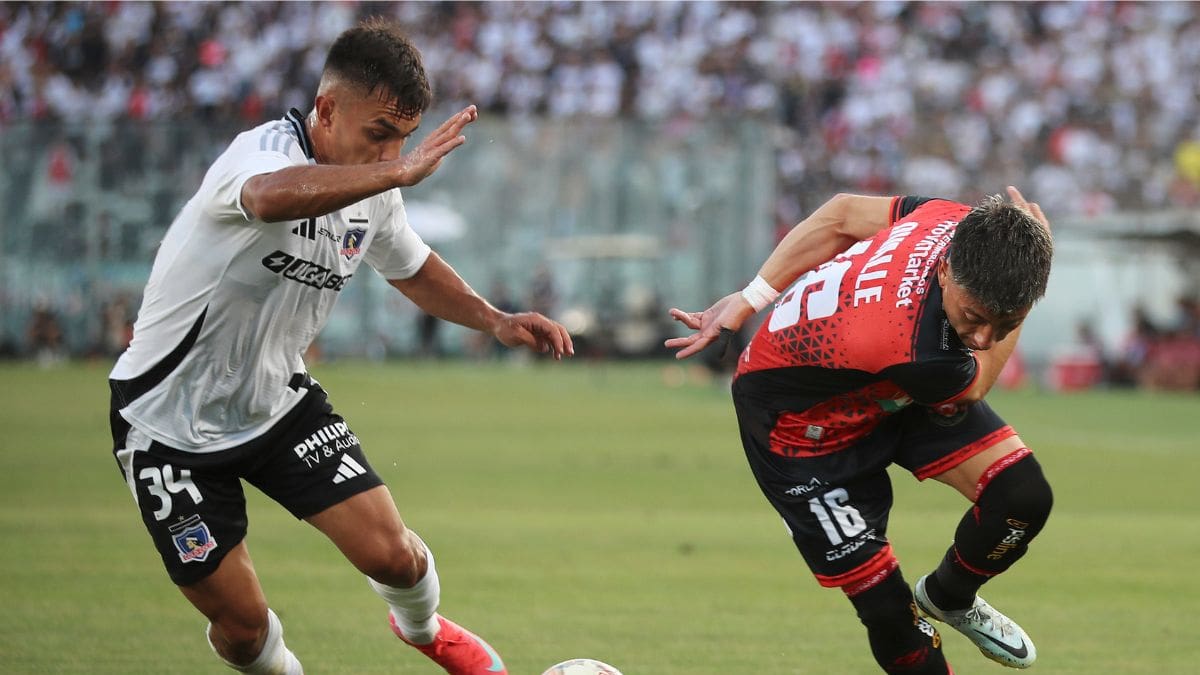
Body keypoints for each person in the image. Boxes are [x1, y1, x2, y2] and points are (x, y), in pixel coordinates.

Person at [108, 18, 572, 675]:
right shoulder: (260, 155)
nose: (391, 155)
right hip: (166, 424)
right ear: (326, 109)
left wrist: (494, 319)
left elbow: (410, 264)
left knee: (397, 556)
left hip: (276, 403)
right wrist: (398, 172)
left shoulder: (376, 189)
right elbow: (266, 199)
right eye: (379, 134)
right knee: (243, 629)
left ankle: (425, 631)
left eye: (403, 140)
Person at [666, 187, 1054, 673]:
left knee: (1022, 497)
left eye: (1006, 323)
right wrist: (1027, 298)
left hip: (879, 386)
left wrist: (750, 299)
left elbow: (843, 213)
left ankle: (949, 596)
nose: (982, 337)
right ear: (946, 269)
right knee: (889, 613)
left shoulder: (950, 220)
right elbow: (974, 385)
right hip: (799, 431)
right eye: (976, 317)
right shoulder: (919, 349)